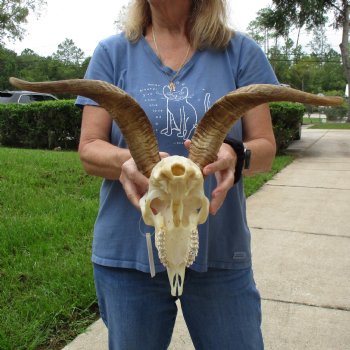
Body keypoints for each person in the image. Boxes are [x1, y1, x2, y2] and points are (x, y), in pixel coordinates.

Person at [76, 0, 278, 349]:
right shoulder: (113, 53)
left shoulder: (240, 52)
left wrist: (236, 152)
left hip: (220, 253)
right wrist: (128, 161)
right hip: (130, 257)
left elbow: (265, 147)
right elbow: (90, 148)